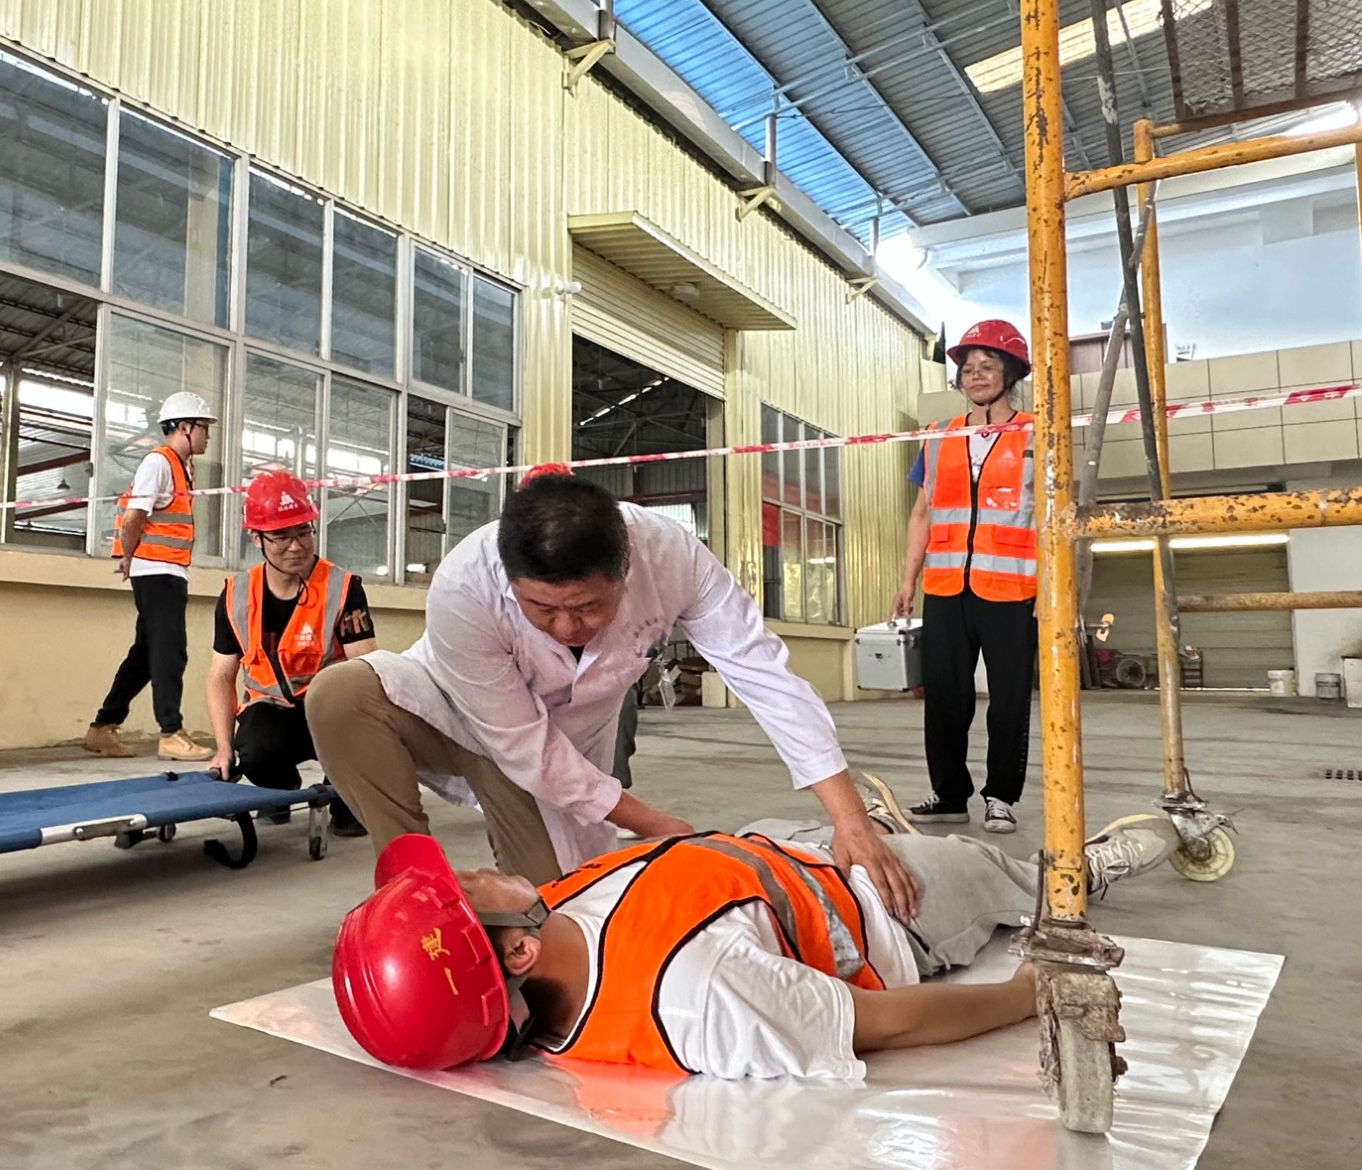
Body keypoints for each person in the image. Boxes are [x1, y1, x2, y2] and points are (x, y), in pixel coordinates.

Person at [306, 472, 922, 923]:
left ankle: (871, 823)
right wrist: (657, 825)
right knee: (340, 693)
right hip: (449, 711)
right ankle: (413, 890)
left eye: (587, 607)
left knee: (560, 913)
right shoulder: (464, 586)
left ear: (627, 568)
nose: (566, 627)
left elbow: (763, 672)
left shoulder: (672, 557)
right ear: (509, 577)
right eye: (541, 608)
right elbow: (520, 744)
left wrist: (849, 818)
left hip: (559, 748)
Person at [330, 818, 1171, 1078]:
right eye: (466, 886)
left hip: (782, 849)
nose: (478, 867)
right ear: (515, 957)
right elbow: (887, 1023)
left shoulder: (548, 921)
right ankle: (1083, 870)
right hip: (885, 905)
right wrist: (1027, 993)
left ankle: (879, 824)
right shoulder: (698, 995)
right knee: (988, 867)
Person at [893, 319, 1038, 835]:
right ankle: (950, 794)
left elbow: (1053, 516)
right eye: (968, 368)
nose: (975, 375)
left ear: (1010, 373)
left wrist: (1054, 588)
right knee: (945, 698)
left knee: (1008, 700)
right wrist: (908, 580)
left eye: (987, 366)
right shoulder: (938, 436)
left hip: (1013, 588)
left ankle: (1001, 796)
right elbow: (922, 514)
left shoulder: (1037, 435)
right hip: (946, 587)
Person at [205, 468, 374, 837]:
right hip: (272, 711)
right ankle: (279, 789)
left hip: (330, 711)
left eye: (303, 532)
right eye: (281, 535)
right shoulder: (236, 596)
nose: (296, 546)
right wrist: (223, 748)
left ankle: (346, 798)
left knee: (365, 724)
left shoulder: (343, 588)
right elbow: (221, 676)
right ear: (256, 537)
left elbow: (367, 668)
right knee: (255, 749)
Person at [84, 391, 217, 762]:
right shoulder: (158, 463)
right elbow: (133, 517)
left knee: (145, 655)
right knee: (170, 652)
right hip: (157, 571)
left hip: (166, 569)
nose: (207, 436)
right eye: (203, 428)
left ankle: (102, 727)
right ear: (184, 427)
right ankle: (171, 732)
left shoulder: (181, 467)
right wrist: (129, 557)